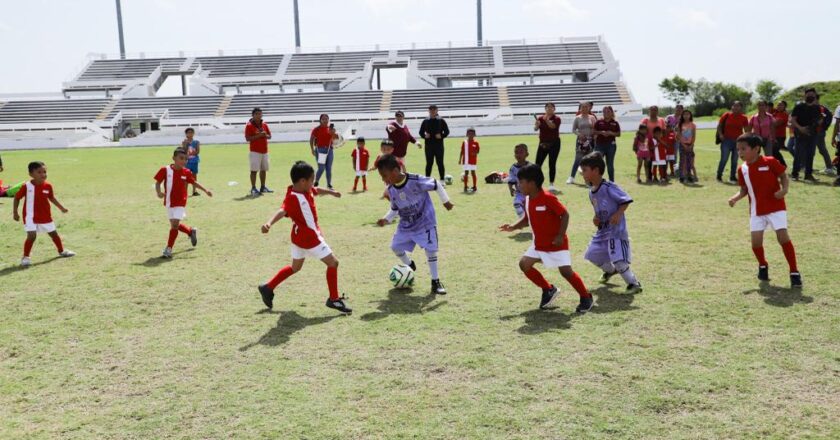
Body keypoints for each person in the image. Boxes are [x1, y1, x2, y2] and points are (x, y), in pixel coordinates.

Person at [257, 161, 351, 314]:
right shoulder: (293, 198)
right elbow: (282, 210)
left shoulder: (304, 189)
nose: (313, 183)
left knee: (295, 267)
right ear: (302, 181)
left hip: (298, 237)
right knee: (333, 263)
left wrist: (331, 192)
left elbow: (316, 190)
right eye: (312, 179)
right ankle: (333, 299)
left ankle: (268, 287)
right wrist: (269, 223)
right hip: (310, 238)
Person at [498, 164, 593, 313]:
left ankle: (586, 297)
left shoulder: (548, 198)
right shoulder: (527, 199)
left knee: (566, 272)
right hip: (539, 244)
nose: (518, 185)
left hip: (556, 244)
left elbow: (565, 215)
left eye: (521, 182)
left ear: (532, 183)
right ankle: (548, 290)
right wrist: (512, 226)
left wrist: (560, 235)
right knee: (524, 264)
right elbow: (526, 219)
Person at [728, 134, 801, 288]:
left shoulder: (770, 162)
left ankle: (794, 272)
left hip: (776, 207)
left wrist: (784, 190)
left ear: (756, 149)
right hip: (756, 209)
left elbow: (783, 176)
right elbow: (743, 190)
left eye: (743, 149)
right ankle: (763, 265)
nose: (740, 153)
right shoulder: (742, 169)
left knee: (783, 238)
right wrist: (735, 198)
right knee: (755, 243)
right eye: (738, 149)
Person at [376, 154, 454, 295]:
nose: (384, 180)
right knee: (395, 247)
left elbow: (436, 184)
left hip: (425, 223)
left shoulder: (415, 180)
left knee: (430, 250)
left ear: (394, 171)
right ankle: (409, 264)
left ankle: (435, 282)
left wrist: (445, 201)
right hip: (406, 226)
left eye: (384, 176)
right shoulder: (392, 190)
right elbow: (394, 209)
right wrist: (386, 219)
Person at [579, 152, 642, 293]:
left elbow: (625, 200)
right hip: (602, 232)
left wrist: (619, 213)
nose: (582, 174)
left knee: (619, 260)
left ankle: (634, 284)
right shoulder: (591, 192)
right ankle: (611, 271)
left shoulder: (608, 187)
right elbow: (598, 212)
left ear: (595, 171)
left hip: (615, 231)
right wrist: (596, 219)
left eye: (584, 171)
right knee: (592, 254)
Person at [12, 161, 76, 266]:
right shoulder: (26, 186)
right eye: (39, 172)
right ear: (31, 174)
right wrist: (15, 212)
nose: (43, 174)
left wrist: (62, 208)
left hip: (45, 216)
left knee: (54, 234)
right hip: (30, 216)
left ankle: (61, 251)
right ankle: (26, 257)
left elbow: (51, 197)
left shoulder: (48, 186)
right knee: (32, 236)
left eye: (44, 172)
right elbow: (17, 197)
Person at [154, 149, 214, 259]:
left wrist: (205, 190)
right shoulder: (165, 170)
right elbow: (158, 182)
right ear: (174, 158)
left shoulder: (186, 172)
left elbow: (194, 182)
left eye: (186, 159)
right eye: (181, 158)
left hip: (180, 202)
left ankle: (168, 249)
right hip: (169, 201)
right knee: (174, 225)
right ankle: (190, 231)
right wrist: (158, 192)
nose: (184, 161)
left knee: (175, 225)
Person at [790, 88, 823, 181]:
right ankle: (794, 174)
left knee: (810, 154)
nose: (810, 96)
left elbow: (819, 120)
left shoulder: (817, 108)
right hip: (800, 133)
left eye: (812, 95)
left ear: (815, 96)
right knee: (798, 154)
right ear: (805, 96)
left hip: (812, 134)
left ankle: (808, 175)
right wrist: (801, 128)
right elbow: (793, 119)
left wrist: (820, 121)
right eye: (809, 95)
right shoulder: (799, 106)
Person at [716, 101, 750, 182]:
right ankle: (719, 175)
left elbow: (746, 130)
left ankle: (732, 176)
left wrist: (747, 137)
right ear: (732, 107)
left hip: (738, 142)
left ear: (741, 108)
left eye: (738, 106)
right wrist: (720, 134)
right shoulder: (726, 115)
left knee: (735, 160)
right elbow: (719, 126)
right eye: (734, 106)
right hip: (726, 141)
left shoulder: (744, 118)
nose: (735, 107)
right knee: (724, 158)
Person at [533, 102, 562, 191]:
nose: (549, 109)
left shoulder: (557, 118)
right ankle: (537, 183)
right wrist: (537, 125)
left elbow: (553, 126)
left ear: (554, 109)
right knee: (538, 164)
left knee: (552, 163)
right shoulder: (540, 118)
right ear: (545, 109)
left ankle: (551, 184)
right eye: (547, 107)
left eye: (551, 107)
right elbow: (535, 129)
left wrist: (546, 120)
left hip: (554, 143)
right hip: (542, 143)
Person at [244, 107, 272, 196]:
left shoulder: (264, 124)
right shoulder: (249, 125)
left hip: (265, 151)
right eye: (257, 114)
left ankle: (263, 187)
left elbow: (269, 136)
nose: (259, 116)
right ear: (253, 115)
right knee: (254, 170)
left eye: (260, 114)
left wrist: (265, 135)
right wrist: (259, 135)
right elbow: (248, 138)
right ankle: (253, 188)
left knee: (263, 169)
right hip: (254, 151)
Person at [418, 105, 450, 181]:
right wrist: (425, 136)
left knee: (440, 163)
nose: (432, 111)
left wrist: (441, 136)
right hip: (429, 146)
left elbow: (447, 132)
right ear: (428, 111)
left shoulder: (441, 120)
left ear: (437, 110)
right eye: (431, 110)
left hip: (439, 146)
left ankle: (442, 180)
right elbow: (420, 132)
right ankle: (427, 180)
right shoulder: (425, 121)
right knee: (429, 163)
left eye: (434, 109)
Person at [568, 101, 596, 184]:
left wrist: (593, 137)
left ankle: (588, 180)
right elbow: (573, 130)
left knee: (589, 161)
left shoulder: (592, 117)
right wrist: (579, 134)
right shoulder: (577, 118)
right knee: (577, 159)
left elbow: (595, 129)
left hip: (590, 141)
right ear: (580, 108)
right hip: (580, 141)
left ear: (589, 108)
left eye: (586, 107)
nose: (584, 108)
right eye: (582, 107)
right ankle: (571, 177)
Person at [593, 105, 621, 182]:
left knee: (610, 164)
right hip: (599, 145)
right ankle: (597, 180)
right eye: (604, 111)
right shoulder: (599, 122)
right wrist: (601, 132)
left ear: (612, 112)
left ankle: (612, 182)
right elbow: (593, 131)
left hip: (611, 146)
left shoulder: (615, 123)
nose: (606, 113)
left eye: (608, 111)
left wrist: (611, 133)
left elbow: (618, 134)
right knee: (598, 163)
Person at [310, 114, 335, 189]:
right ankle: (316, 181)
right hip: (320, 150)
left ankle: (329, 184)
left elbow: (334, 139)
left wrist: (333, 133)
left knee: (329, 168)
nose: (325, 120)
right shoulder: (316, 129)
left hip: (329, 150)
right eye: (323, 119)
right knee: (321, 168)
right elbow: (311, 140)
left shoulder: (331, 129)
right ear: (320, 120)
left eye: (327, 119)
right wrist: (312, 149)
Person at [508, 143, 531, 218]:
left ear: (527, 154)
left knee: (532, 207)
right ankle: (522, 217)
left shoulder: (531, 167)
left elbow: (537, 179)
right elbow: (511, 180)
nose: (518, 154)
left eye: (521, 152)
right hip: (520, 193)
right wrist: (511, 189)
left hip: (531, 193)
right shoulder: (513, 168)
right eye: (516, 152)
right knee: (516, 203)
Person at [815, 95, 835, 175]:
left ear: (817, 99)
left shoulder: (820, 108)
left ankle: (829, 167)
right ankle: (829, 166)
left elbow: (822, 119)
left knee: (822, 149)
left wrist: (824, 127)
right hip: (816, 132)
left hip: (819, 132)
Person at [180, 127, 201, 196]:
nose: (190, 134)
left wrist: (191, 153)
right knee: (186, 176)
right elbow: (184, 151)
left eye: (192, 132)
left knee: (194, 176)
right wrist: (186, 144)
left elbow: (198, 151)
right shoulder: (184, 142)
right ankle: (185, 192)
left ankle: (194, 191)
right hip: (187, 162)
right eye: (189, 132)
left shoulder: (196, 142)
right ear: (186, 134)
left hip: (194, 161)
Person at [678, 110, 697, 183]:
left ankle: (689, 176)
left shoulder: (693, 125)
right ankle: (682, 176)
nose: (686, 116)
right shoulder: (680, 125)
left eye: (688, 114)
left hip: (690, 145)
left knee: (689, 161)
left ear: (690, 115)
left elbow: (694, 136)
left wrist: (691, 144)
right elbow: (679, 136)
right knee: (683, 161)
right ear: (682, 116)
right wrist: (683, 145)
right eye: (684, 114)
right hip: (682, 145)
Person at [458, 128, 480, 192]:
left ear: (474, 135)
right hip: (466, 161)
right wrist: (460, 159)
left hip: (473, 161)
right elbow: (462, 151)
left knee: (473, 173)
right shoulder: (464, 142)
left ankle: (474, 186)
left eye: (472, 134)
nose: (470, 135)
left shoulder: (476, 143)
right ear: (467, 134)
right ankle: (465, 186)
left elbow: (478, 151)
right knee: (466, 173)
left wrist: (475, 153)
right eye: (469, 134)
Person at [666, 104, 685, 177]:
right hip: (669, 139)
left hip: (680, 139)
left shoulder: (684, 118)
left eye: (680, 109)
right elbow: (666, 126)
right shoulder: (669, 117)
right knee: (669, 155)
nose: (678, 110)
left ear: (682, 110)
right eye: (677, 109)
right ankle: (667, 170)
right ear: (675, 109)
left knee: (677, 155)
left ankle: (675, 170)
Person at [771, 101, 790, 166]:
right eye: (778, 105)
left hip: (780, 136)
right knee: (773, 151)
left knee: (774, 151)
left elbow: (776, 124)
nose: (779, 106)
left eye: (781, 105)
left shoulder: (784, 114)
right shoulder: (775, 113)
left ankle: (783, 164)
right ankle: (779, 165)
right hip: (773, 135)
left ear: (784, 106)